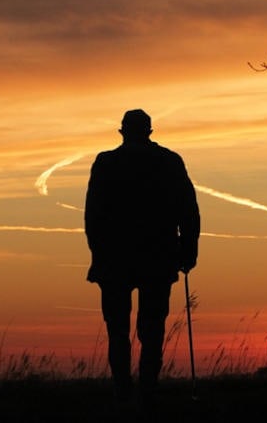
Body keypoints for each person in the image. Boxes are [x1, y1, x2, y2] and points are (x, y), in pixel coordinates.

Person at [84, 109, 200, 403]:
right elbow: (188, 211)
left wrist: (98, 254)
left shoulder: (106, 163)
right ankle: (147, 389)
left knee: (117, 330)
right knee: (153, 329)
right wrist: (188, 251)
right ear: (149, 132)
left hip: (115, 259)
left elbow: (93, 216)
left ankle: (122, 390)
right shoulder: (169, 162)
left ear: (123, 132)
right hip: (158, 258)